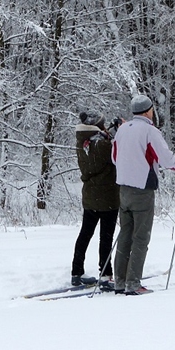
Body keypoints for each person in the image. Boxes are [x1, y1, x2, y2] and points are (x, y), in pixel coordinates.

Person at [112, 94, 175, 295]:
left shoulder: (122, 130)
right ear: (149, 111)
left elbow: (115, 158)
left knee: (125, 235)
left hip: (123, 189)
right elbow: (166, 160)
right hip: (142, 190)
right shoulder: (150, 131)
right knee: (141, 238)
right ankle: (133, 284)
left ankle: (120, 282)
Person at [70, 111, 120, 288]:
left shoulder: (82, 143)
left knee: (85, 235)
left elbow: (104, 143)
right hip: (108, 198)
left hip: (90, 196)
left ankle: (76, 272)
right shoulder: (103, 145)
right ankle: (105, 275)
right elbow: (115, 148)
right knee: (106, 238)